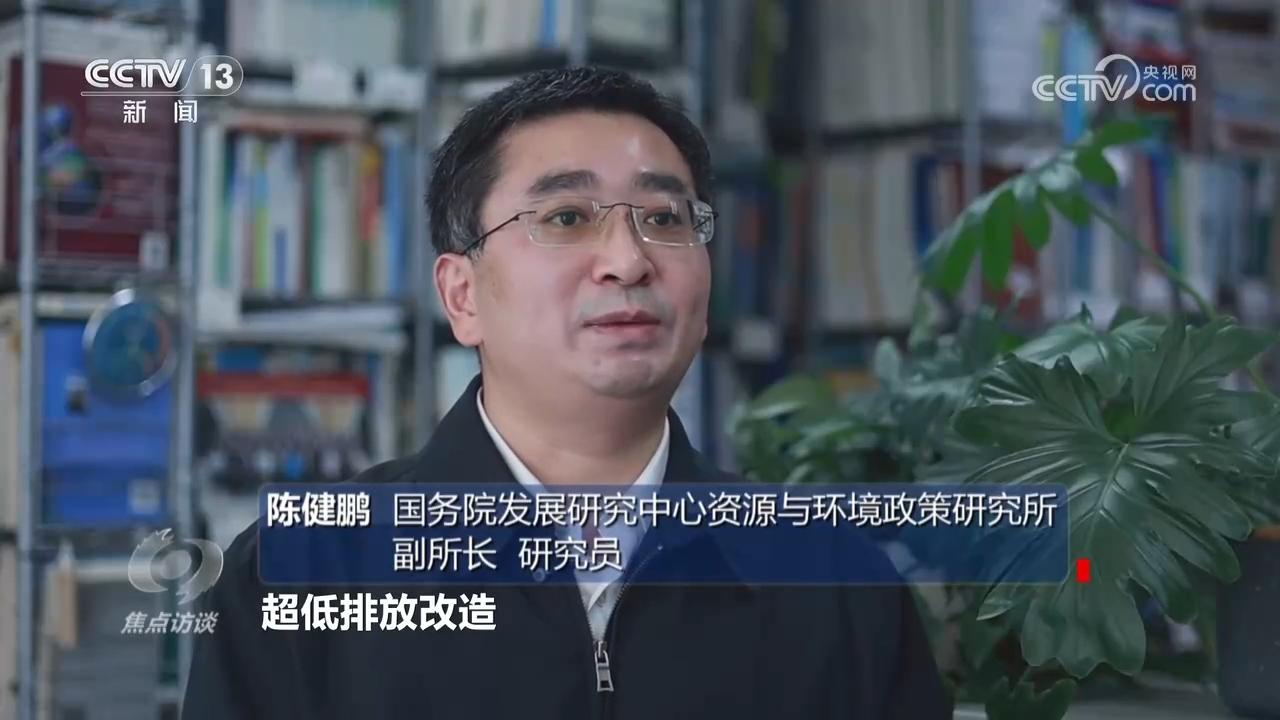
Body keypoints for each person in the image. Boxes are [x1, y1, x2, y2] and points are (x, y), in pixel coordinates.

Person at [181, 66, 952, 719]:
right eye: (567, 216)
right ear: (462, 296)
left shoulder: (837, 581)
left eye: (664, 217)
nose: (628, 259)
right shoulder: (301, 573)